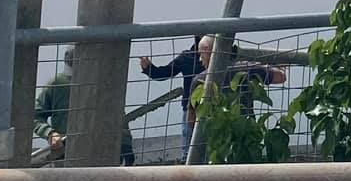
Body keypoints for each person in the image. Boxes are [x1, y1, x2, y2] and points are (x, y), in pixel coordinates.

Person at [141, 34, 287, 140]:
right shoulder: (244, 68)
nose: (200, 59)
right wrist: (149, 69)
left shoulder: (199, 78)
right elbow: (164, 72)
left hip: (202, 115)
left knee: (196, 157)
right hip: (235, 121)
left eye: (202, 55)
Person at [34, 49, 135, 164]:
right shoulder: (57, 84)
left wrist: (126, 146)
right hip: (66, 154)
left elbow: (117, 116)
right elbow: (35, 116)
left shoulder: (104, 83)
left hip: (103, 152)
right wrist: (50, 134)